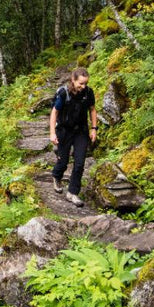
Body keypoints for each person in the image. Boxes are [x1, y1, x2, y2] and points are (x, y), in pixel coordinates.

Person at [49, 67, 98, 207]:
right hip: (64, 130)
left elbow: (92, 110)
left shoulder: (88, 93)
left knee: (80, 163)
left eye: (86, 83)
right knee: (63, 161)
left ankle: (72, 193)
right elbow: (54, 112)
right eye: (81, 83)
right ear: (73, 80)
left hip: (81, 131)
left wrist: (94, 128)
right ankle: (56, 176)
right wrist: (52, 133)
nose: (83, 86)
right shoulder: (64, 93)